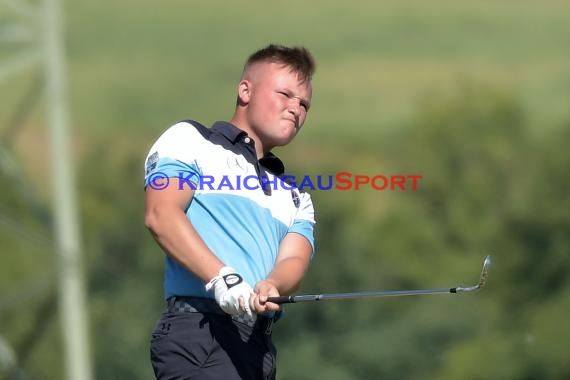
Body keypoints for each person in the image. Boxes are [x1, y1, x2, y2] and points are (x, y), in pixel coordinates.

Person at [143, 44, 316, 379]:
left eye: (304, 103)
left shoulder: (296, 196)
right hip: (201, 332)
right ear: (245, 90)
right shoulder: (190, 140)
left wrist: (273, 284)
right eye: (285, 94)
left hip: (257, 346)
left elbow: (294, 259)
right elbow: (161, 215)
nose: (295, 108)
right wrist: (222, 278)